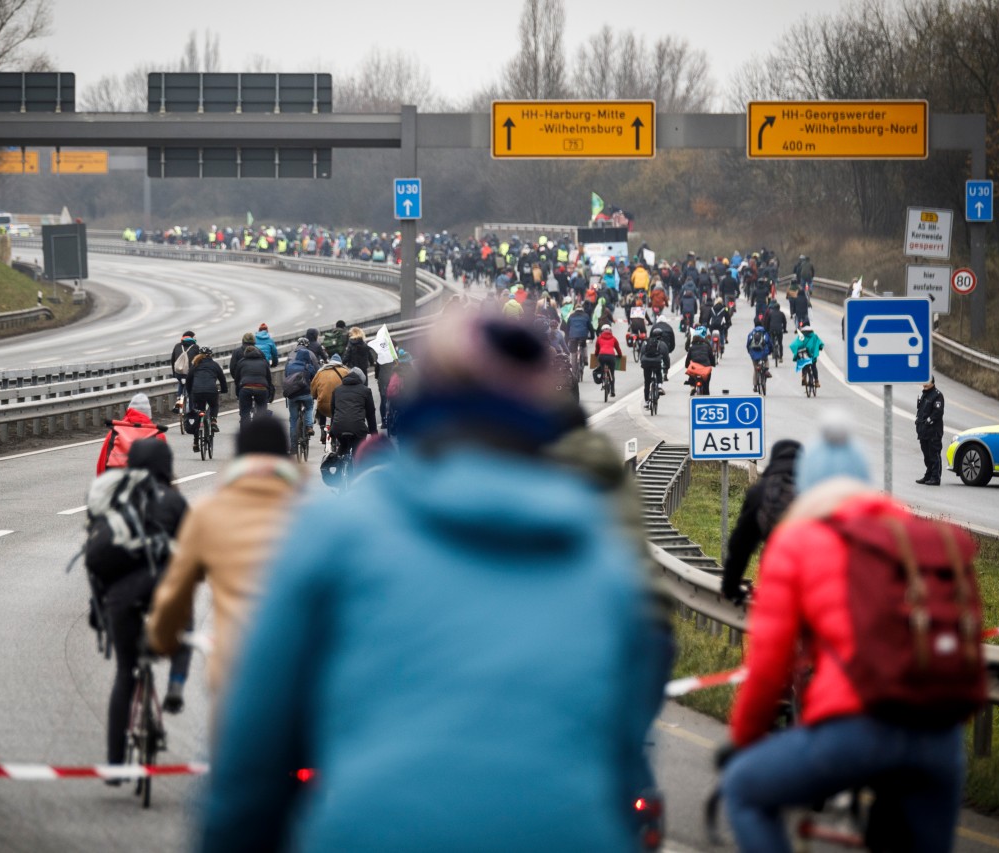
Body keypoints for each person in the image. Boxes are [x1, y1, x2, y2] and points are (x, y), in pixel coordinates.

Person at [199, 313, 665, 852]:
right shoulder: (600, 559)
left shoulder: (337, 531)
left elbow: (254, 749)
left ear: (423, 406)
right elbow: (625, 749)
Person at [721, 416, 972, 853]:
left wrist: (744, 742)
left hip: (858, 727)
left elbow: (768, 666)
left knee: (743, 789)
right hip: (939, 733)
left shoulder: (798, 543)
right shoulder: (915, 533)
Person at [147, 416, 300, 715]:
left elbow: (177, 590)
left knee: (230, 754)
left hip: (239, 674)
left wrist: (161, 638)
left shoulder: (208, 513)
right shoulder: (319, 511)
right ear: (287, 456)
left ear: (238, 456)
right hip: (306, 676)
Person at [94, 440, 192, 772]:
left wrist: (100, 612)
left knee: (125, 674)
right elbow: (191, 554)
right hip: (164, 590)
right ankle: (177, 682)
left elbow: (98, 559)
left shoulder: (118, 502)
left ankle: (114, 763)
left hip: (122, 596)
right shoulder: (176, 501)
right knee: (185, 615)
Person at [719, 440, 801, 604]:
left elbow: (741, 545)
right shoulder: (819, 492)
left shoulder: (762, 492)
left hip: (778, 575)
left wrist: (731, 586)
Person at [96, 392, 166, 475]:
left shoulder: (114, 433)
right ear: (148, 413)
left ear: (128, 411)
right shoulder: (158, 435)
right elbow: (164, 470)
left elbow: (102, 465)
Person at [186, 347, 228, 451]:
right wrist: (224, 390)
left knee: (198, 415)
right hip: (211, 391)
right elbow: (222, 379)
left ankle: (196, 442)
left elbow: (188, 380)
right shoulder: (214, 365)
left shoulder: (195, 364)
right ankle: (213, 421)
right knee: (214, 405)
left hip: (197, 392)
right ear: (210, 355)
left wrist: (190, 391)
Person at [329, 367, 377, 456]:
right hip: (358, 428)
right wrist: (373, 433)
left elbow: (333, 411)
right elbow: (370, 413)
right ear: (362, 379)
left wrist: (332, 430)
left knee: (343, 446)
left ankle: (339, 463)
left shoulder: (337, 390)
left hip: (338, 428)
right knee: (359, 450)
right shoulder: (366, 390)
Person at [283, 338, 320, 450]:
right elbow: (316, 378)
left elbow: (286, 375)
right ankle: (309, 427)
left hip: (292, 395)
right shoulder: (309, 365)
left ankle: (293, 447)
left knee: (293, 420)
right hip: (306, 393)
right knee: (309, 408)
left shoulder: (290, 363)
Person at [230, 345, 274, 427]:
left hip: (246, 388)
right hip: (262, 388)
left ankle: (245, 435)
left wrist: (238, 393)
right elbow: (269, 379)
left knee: (245, 414)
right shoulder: (264, 362)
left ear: (245, 354)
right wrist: (269, 393)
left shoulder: (241, 362)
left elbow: (237, 379)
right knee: (262, 412)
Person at [310, 354, 350, 443]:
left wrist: (315, 396)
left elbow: (313, 387)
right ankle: (334, 434)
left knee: (321, 406)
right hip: (339, 404)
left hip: (323, 405)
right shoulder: (345, 371)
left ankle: (322, 428)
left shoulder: (320, 372)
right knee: (336, 412)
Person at [915, 376, 945, 485]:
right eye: (924, 382)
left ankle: (935, 477)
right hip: (923, 431)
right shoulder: (924, 394)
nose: (925, 384)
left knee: (934, 454)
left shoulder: (937, 395)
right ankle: (928, 475)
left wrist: (929, 421)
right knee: (926, 455)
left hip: (933, 431)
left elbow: (938, 412)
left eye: (927, 382)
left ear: (932, 382)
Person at [640, 325, 671, 409]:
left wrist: (642, 363)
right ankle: (660, 387)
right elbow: (666, 357)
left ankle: (646, 401)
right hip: (656, 362)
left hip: (646, 362)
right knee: (658, 372)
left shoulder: (646, 342)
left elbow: (642, 353)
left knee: (647, 382)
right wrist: (667, 367)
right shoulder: (662, 344)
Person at [170, 332, 200, 411]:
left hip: (179, 373)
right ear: (192, 338)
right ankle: (192, 408)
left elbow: (173, 360)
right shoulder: (195, 347)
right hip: (190, 374)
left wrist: (174, 374)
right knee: (191, 389)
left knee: (181, 383)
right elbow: (199, 362)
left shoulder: (177, 346)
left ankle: (178, 403)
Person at [789, 324, 824, 389]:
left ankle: (803, 377)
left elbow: (794, 344)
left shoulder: (801, 336)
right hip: (812, 356)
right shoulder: (814, 336)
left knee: (804, 364)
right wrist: (820, 348)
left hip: (803, 355)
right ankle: (816, 381)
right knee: (813, 366)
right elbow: (820, 344)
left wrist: (796, 351)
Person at [593, 323, 623, 396]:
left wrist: (596, 355)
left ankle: (602, 378)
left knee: (602, 368)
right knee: (612, 373)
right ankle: (612, 390)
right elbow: (618, 349)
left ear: (602, 331)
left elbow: (597, 349)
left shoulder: (599, 338)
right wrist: (620, 355)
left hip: (602, 356)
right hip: (611, 357)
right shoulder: (613, 338)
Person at [684, 327, 714, 395]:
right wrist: (713, 364)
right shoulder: (707, 346)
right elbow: (711, 357)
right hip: (705, 368)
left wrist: (686, 366)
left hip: (695, 369)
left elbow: (688, 359)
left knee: (693, 376)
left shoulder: (691, 348)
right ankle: (706, 398)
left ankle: (693, 387)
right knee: (706, 386)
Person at [745, 323, 772, 392]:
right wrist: (770, 351)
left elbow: (748, 345)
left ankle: (755, 386)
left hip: (754, 354)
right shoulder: (765, 333)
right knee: (766, 360)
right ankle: (766, 371)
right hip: (763, 353)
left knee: (755, 369)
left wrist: (750, 353)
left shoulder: (751, 334)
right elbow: (769, 344)